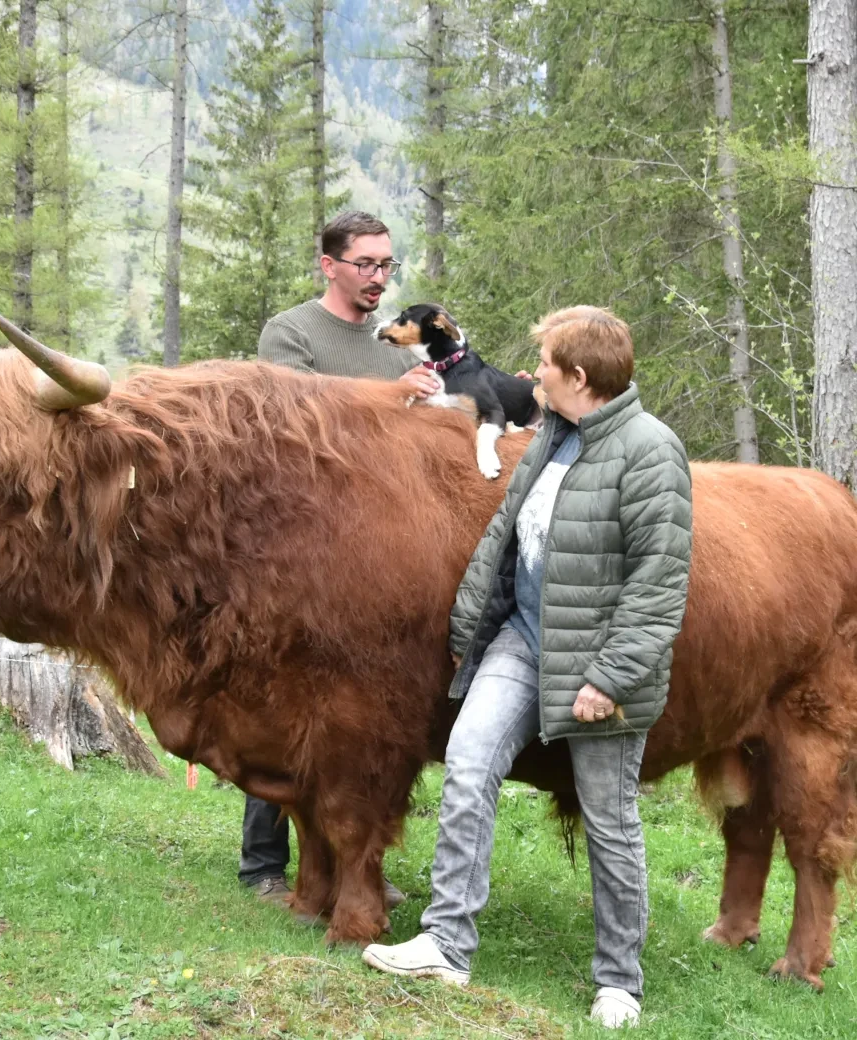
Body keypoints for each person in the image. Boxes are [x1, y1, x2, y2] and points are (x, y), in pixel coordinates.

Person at [362, 306, 693, 1029]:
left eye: (543, 363)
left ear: (577, 376)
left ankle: (619, 982)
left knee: (609, 820)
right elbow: (506, 539)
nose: (529, 373)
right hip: (524, 637)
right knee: (469, 763)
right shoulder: (551, 434)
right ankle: (447, 944)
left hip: (601, 662)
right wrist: (468, 625)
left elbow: (659, 585)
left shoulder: (649, 451)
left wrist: (609, 679)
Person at [242, 210, 440, 913]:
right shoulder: (290, 332)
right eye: (365, 264)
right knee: (285, 706)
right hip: (294, 550)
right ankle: (264, 864)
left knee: (363, 718)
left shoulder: (397, 348)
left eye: (387, 265)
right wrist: (392, 397)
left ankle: (360, 860)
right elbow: (293, 417)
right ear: (328, 265)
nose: (378, 278)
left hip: (375, 553)